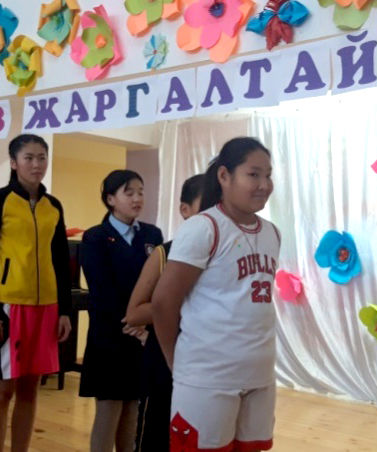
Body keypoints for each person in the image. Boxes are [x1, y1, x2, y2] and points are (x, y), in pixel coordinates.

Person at [152, 137, 280, 452]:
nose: (264, 184)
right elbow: (163, 302)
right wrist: (176, 361)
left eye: (268, 175)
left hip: (260, 376)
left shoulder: (272, 233)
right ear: (224, 176)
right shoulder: (203, 227)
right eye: (253, 174)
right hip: (207, 378)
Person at [0, 134, 73, 452]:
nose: (36, 164)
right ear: (14, 162)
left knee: (31, 391)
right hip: (7, 307)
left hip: (46, 308)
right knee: (2, 392)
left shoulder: (53, 206)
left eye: (42, 157)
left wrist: (65, 310)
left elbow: (61, 261)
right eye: (29, 157)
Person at [80, 170, 163, 452]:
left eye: (141, 192)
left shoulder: (152, 235)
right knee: (108, 411)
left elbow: (158, 284)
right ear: (110, 199)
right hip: (109, 336)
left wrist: (144, 324)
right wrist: (132, 322)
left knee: (133, 412)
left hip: (142, 337)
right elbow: (101, 289)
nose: (137, 198)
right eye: (129, 193)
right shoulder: (95, 237)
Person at [124, 174, 204, 452]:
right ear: (185, 210)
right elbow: (134, 313)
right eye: (205, 207)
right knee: (157, 436)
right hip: (164, 360)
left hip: (208, 362)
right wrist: (185, 304)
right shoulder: (165, 253)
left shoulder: (226, 253)